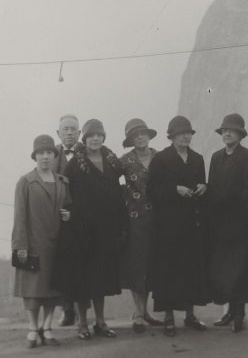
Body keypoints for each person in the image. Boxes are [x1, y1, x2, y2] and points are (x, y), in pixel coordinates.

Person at [55, 119, 128, 340]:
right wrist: (71, 214)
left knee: (101, 278)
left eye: (99, 135)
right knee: (84, 280)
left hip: (106, 230)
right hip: (82, 230)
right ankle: (83, 324)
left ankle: (101, 322)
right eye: (90, 136)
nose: (95, 139)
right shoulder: (75, 163)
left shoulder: (112, 162)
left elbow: (118, 195)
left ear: (103, 137)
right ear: (84, 139)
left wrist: (121, 224)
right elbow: (65, 193)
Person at [147, 115, 209, 337]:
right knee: (169, 271)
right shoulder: (161, 159)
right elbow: (151, 191)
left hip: (192, 224)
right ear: (171, 137)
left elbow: (202, 183)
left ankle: (190, 315)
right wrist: (175, 190)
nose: (185, 137)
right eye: (181, 133)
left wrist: (203, 187)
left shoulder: (197, 159)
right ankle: (169, 317)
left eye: (188, 133)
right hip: (168, 226)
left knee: (191, 269)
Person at [12, 135, 71, 348]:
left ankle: (47, 327)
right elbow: (19, 216)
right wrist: (20, 246)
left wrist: (68, 215)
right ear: (35, 156)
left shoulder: (63, 182)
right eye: (41, 153)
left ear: (55, 157)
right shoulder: (26, 181)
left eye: (49, 153)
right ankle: (32, 329)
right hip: (33, 244)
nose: (46, 157)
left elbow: (70, 208)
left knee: (53, 289)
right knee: (32, 289)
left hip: (57, 246)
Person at [208, 113, 248, 333]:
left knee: (240, 270)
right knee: (224, 270)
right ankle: (228, 312)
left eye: (232, 130)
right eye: (224, 130)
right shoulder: (217, 157)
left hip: (241, 223)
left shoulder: (247, 157)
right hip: (220, 223)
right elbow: (212, 188)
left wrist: (233, 209)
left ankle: (240, 314)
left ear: (240, 134)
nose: (227, 133)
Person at [118, 118, 163, 333]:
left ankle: (145, 311)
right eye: (136, 135)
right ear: (131, 140)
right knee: (136, 265)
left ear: (149, 135)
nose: (141, 137)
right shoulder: (124, 161)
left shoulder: (160, 158)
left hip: (158, 220)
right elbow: (107, 181)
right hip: (134, 220)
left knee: (151, 264)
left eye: (143, 133)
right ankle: (138, 313)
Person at [54, 114, 81, 327]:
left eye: (73, 129)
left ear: (79, 133)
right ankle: (67, 310)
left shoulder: (88, 151)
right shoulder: (50, 154)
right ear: (58, 133)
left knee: (85, 261)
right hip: (60, 217)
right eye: (66, 129)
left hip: (83, 217)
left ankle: (83, 311)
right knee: (62, 262)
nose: (70, 132)